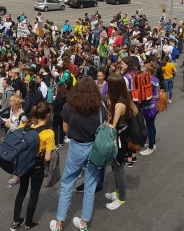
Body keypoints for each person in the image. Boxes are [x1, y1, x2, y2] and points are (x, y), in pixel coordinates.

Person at [51, 77, 104, 231]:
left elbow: (65, 129)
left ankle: (59, 222)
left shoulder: (69, 106)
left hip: (77, 147)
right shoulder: (100, 107)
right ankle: (84, 223)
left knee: (67, 183)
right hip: (94, 147)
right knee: (90, 184)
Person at [11, 102, 55, 230]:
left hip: (24, 165)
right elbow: (47, 157)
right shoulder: (49, 133)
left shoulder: (25, 125)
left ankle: (15, 222)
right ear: (47, 115)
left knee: (21, 192)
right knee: (34, 195)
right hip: (37, 167)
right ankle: (28, 223)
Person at [101, 76, 136, 210]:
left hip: (120, 141)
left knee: (119, 170)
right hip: (118, 140)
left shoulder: (119, 104)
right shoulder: (118, 100)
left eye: (109, 85)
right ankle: (117, 192)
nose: (107, 87)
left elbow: (113, 125)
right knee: (115, 167)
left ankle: (121, 198)